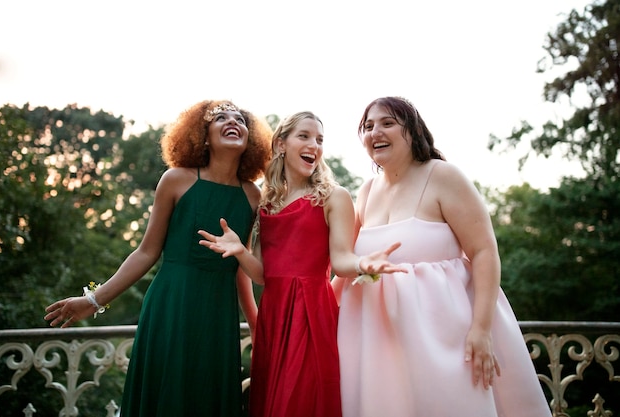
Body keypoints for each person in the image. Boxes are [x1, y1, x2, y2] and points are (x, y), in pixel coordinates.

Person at [44, 99, 272, 417]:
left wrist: (257, 325)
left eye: (240, 120)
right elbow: (146, 252)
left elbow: (241, 269)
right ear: (204, 136)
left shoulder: (252, 195)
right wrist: (93, 300)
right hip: (171, 305)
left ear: (251, 140)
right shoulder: (176, 179)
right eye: (221, 117)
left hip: (218, 315)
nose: (233, 121)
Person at [331, 96, 552, 417]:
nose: (375, 132)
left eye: (387, 123)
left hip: (445, 334)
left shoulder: (444, 176)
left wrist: (481, 329)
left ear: (413, 131)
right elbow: (348, 267)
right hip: (378, 340)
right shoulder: (364, 192)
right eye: (367, 127)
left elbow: (484, 251)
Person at [198, 111, 406, 417]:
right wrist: (241, 251)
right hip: (274, 315)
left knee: (301, 402)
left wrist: (362, 264)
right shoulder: (266, 203)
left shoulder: (334, 197)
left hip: (311, 312)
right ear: (281, 144)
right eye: (305, 136)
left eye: (320, 139)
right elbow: (263, 276)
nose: (314, 145)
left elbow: (342, 260)